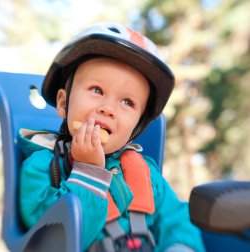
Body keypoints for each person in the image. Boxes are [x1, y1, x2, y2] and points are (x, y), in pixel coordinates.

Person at [18, 22, 205, 252]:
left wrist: (181, 246)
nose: (108, 108)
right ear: (64, 102)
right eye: (97, 90)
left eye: (127, 102)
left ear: (137, 125)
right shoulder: (42, 167)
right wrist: (88, 172)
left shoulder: (145, 172)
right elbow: (55, 242)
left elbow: (176, 219)